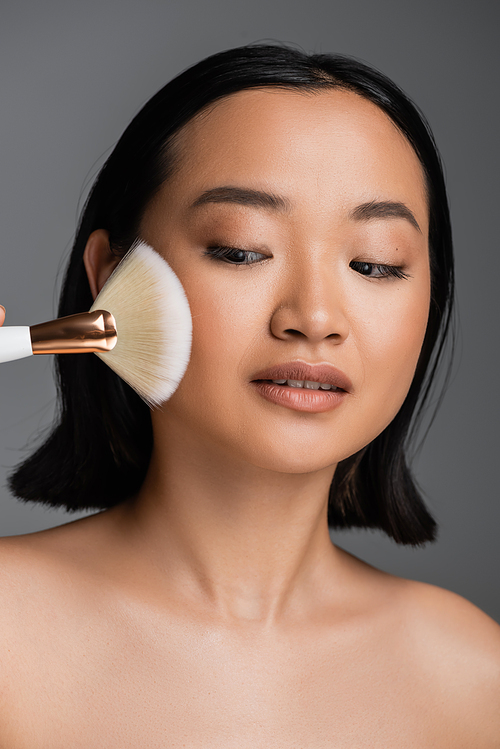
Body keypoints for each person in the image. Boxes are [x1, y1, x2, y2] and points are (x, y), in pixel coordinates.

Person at [1, 45, 499, 746]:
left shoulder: (474, 678)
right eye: (241, 249)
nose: (314, 316)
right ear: (112, 278)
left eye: (376, 263)